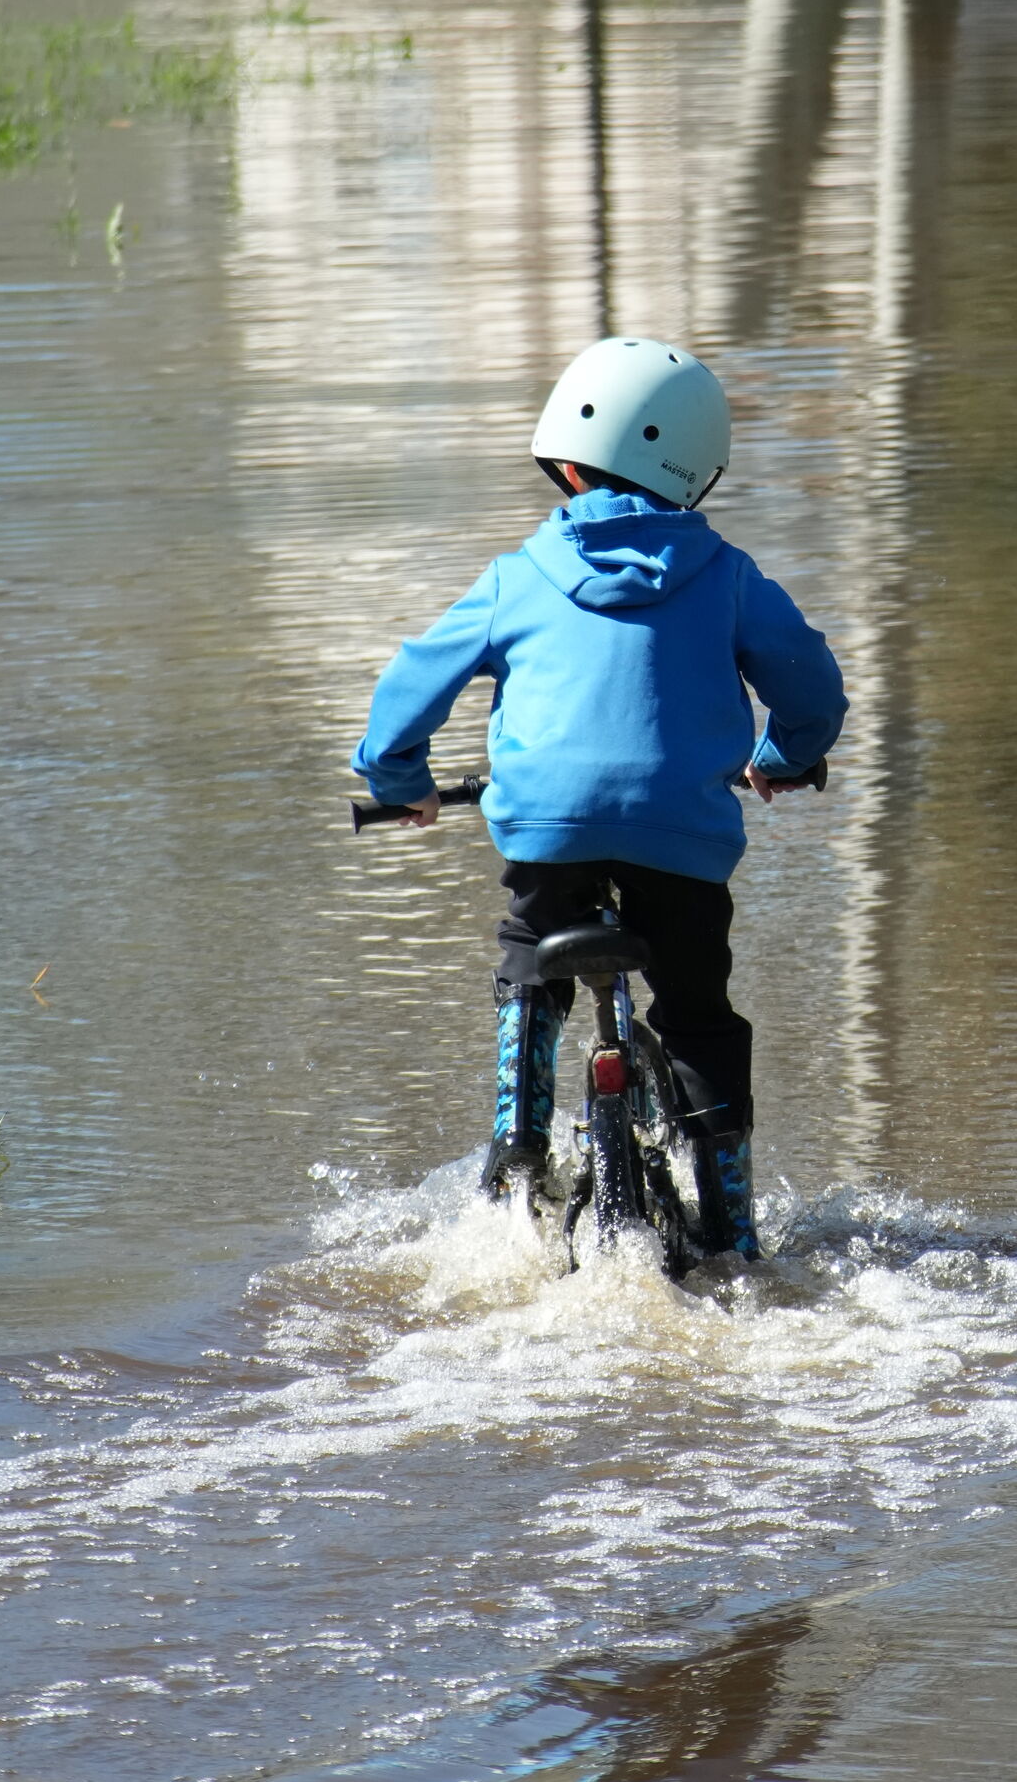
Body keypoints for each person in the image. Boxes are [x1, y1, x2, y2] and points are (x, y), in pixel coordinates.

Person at [351, 337, 846, 1259]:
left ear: (567, 465)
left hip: (550, 832)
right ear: (698, 472)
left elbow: (406, 694)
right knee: (697, 1008)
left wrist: (402, 784)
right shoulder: (730, 577)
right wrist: (780, 757)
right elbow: (812, 688)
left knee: (530, 961)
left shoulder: (515, 577)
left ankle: (517, 1149)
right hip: (682, 841)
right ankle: (731, 1214)